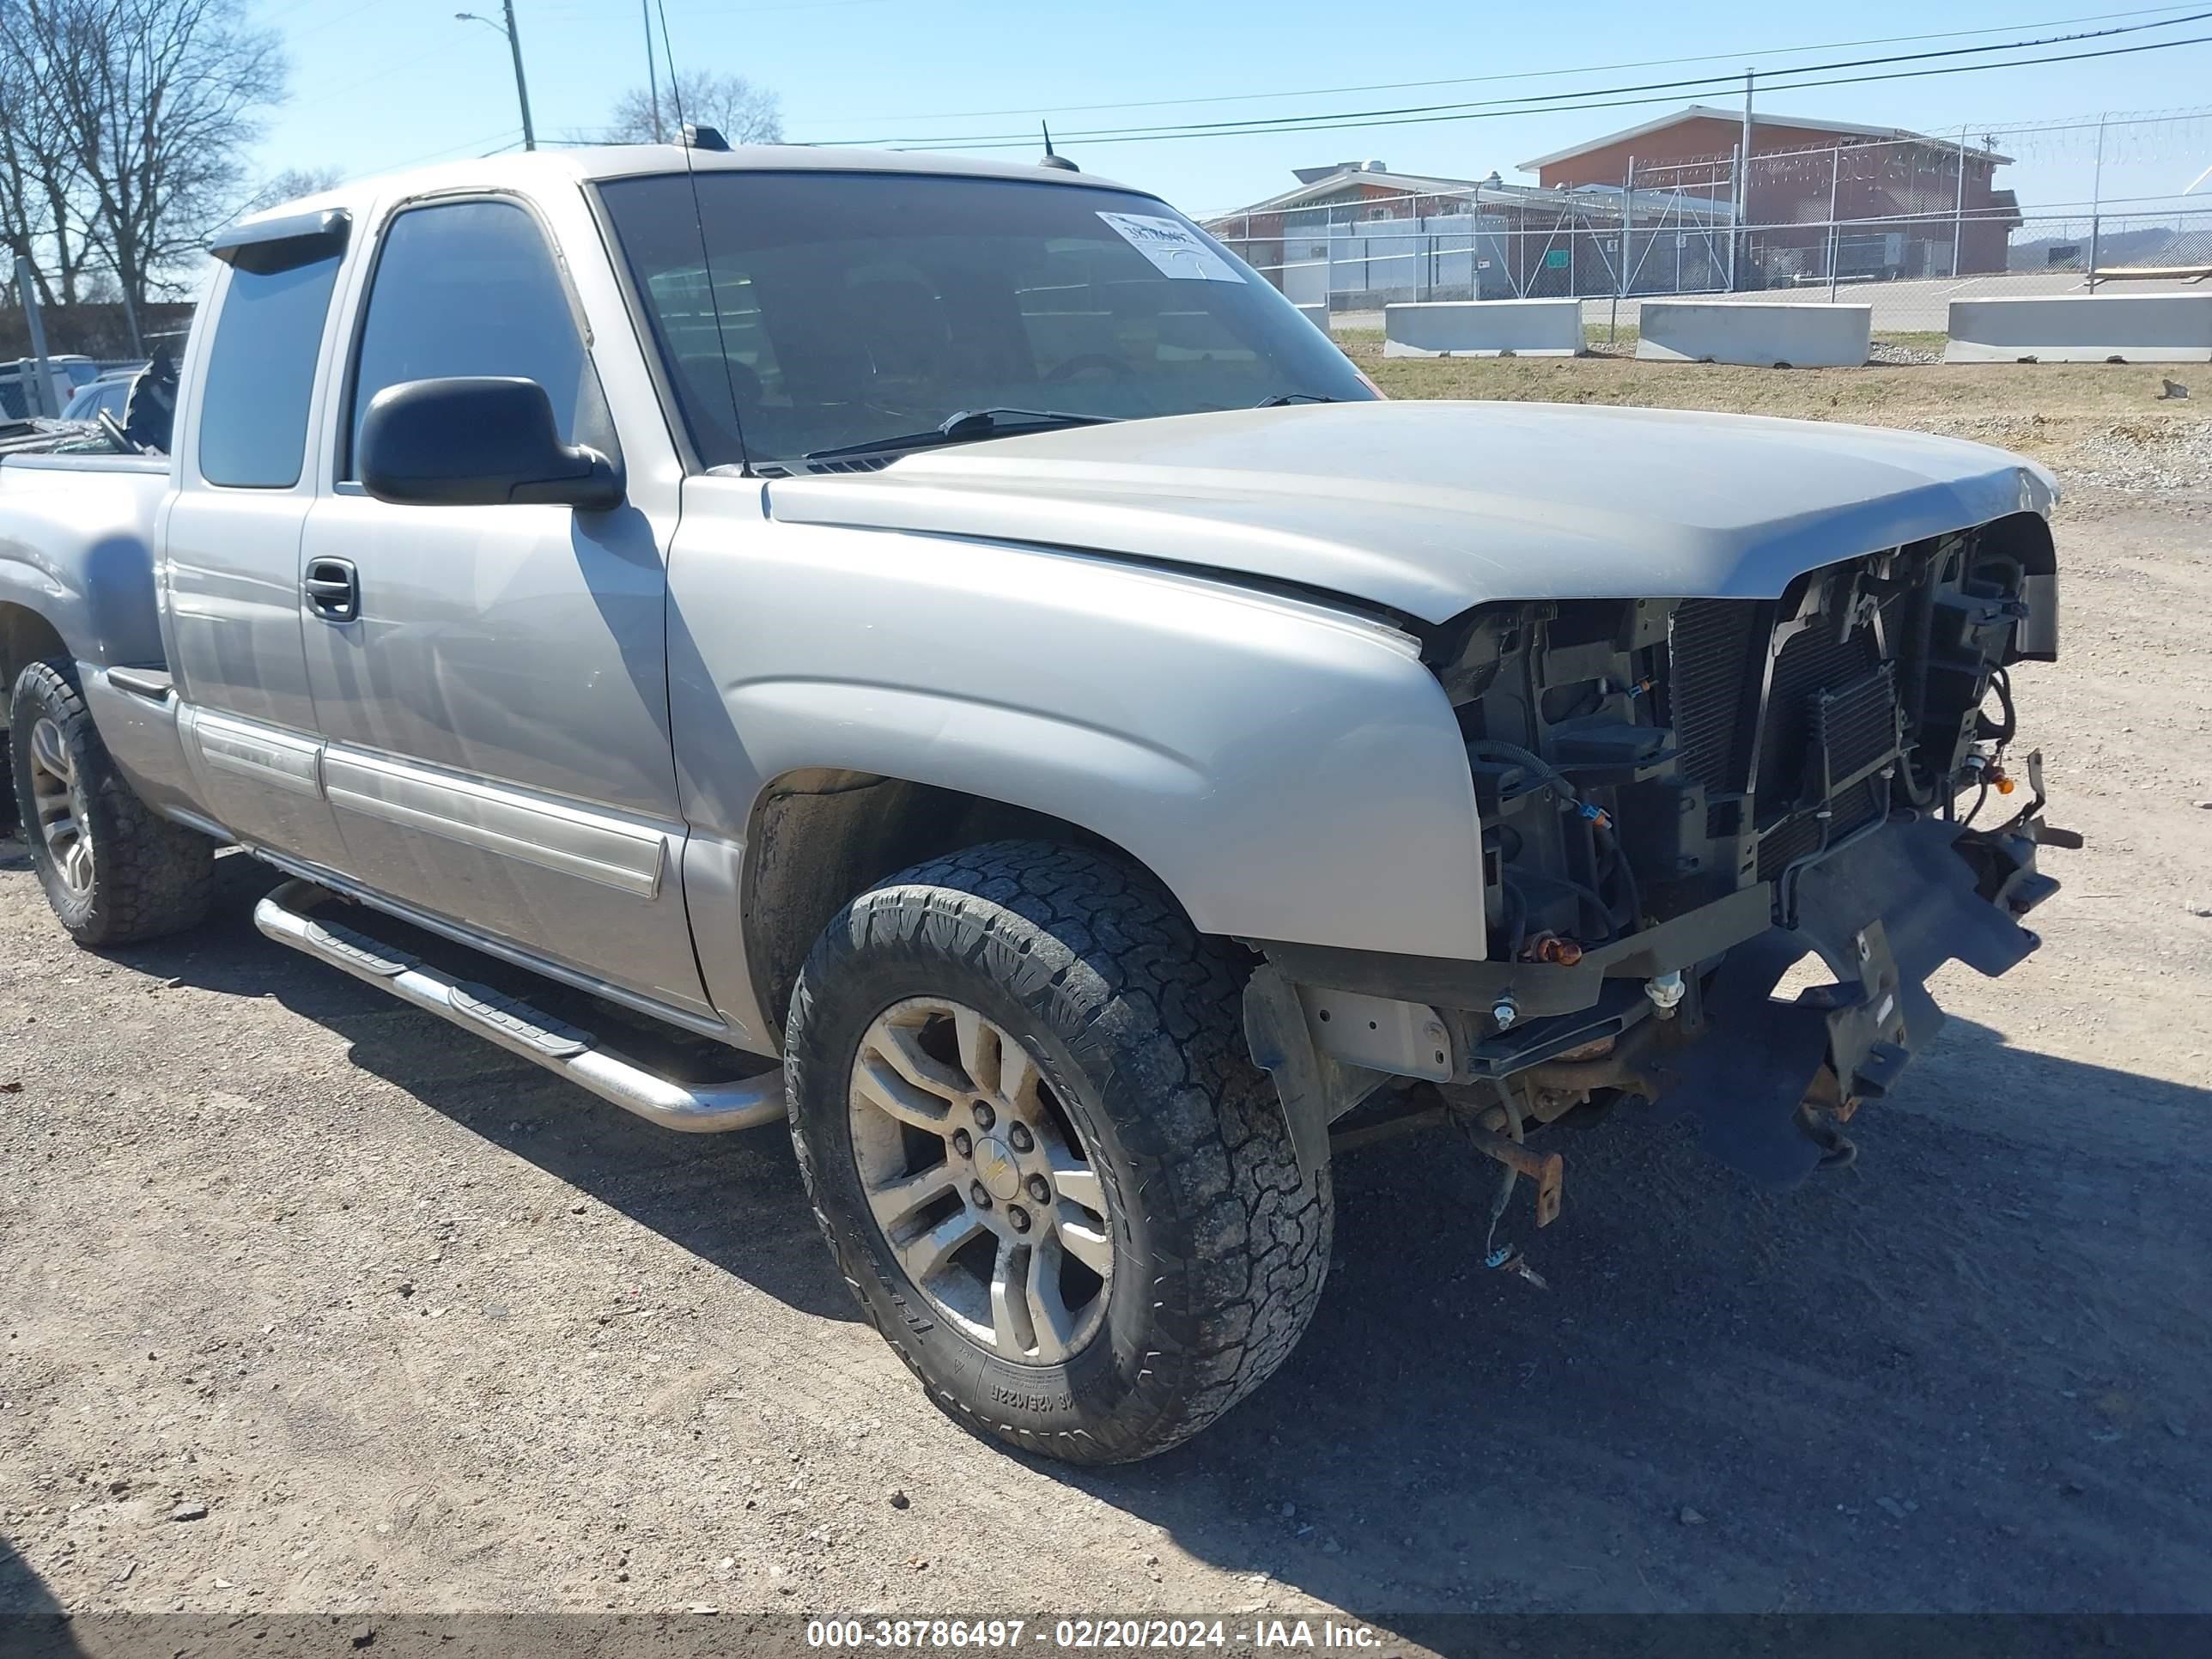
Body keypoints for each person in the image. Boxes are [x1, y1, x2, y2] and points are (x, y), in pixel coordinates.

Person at [122, 347, 179, 453]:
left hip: (164, 441)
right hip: (152, 444)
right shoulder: (146, 386)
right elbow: (136, 423)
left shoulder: (168, 384)